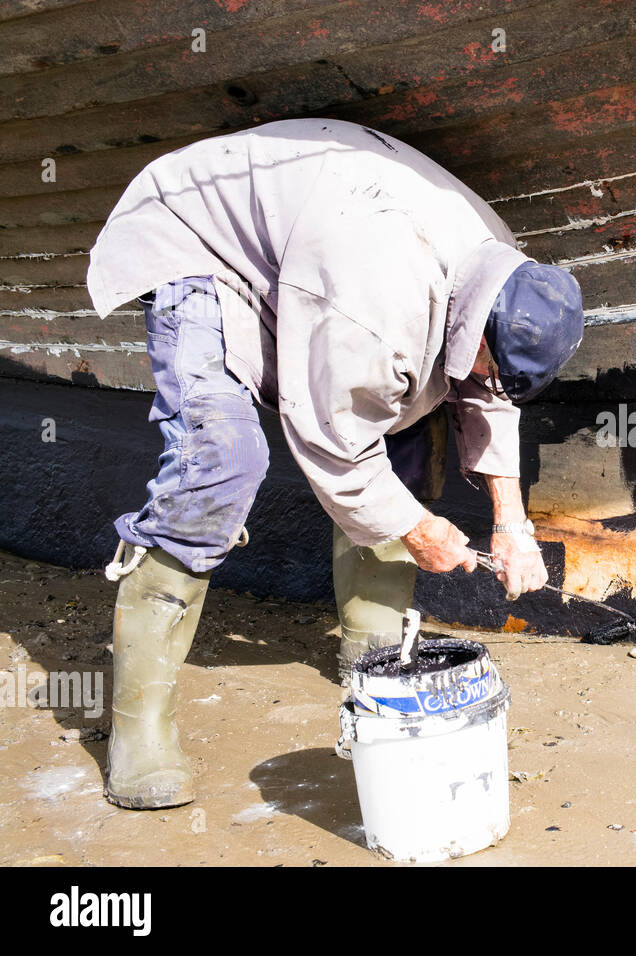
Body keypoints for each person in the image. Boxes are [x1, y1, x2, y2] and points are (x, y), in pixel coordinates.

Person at [85, 119, 584, 810]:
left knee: (409, 424)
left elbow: (484, 386)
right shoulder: (374, 297)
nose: (487, 373)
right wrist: (418, 530)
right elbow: (330, 440)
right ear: (481, 324)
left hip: (316, 257)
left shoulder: (498, 266)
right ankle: (137, 728)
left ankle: (370, 662)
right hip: (199, 239)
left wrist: (512, 522)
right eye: (490, 359)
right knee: (221, 458)